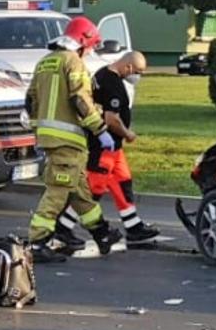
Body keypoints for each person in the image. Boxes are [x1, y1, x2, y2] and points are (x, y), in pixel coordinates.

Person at [24, 16, 132, 263]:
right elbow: (80, 100)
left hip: (50, 138)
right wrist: (100, 130)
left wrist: (38, 129)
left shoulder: (45, 62)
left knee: (80, 191)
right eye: (91, 46)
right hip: (68, 140)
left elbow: (30, 100)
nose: (90, 51)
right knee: (59, 190)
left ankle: (102, 233)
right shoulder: (73, 63)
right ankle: (37, 242)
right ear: (82, 42)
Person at [55, 50, 161, 258]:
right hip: (105, 145)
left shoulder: (102, 74)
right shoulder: (114, 85)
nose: (138, 76)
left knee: (123, 183)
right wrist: (128, 133)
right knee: (93, 188)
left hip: (113, 147)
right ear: (128, 67)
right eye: (138, 72)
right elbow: (112, 118)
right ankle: (64, 226)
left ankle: (133, 227)